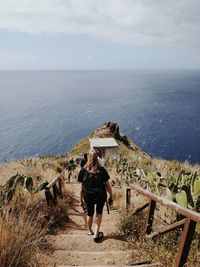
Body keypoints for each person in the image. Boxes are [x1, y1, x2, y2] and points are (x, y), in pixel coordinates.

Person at [78, 150, 113, 242]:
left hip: (87, 195)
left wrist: (80, 200)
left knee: (89, 213)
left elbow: (81, 187)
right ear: (97, 158)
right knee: (99, 212)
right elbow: (108, 185)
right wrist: (111, 196)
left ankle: (90, 231)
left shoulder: (83, 170)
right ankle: (97, 234)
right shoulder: (102, 170)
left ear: (88, 158)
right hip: (100, 195)